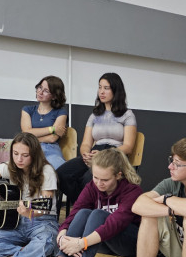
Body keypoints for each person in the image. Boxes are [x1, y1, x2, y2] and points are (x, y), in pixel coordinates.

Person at [29, 148, 142, 257]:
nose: (99, 183)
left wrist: (82, 243)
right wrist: (62, 234)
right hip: (102, 241)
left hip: (129, 243)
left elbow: (115, 224)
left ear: (118, 175)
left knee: (97, 214)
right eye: (95, 177)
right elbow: (75, 211)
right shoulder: (92, 187)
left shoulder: (132, 191)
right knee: (83, 213)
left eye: (105, 180)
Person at [55, 73, 137, 203]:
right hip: (95, 152)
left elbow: (128, 147)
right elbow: (86, 144)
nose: (101, 92)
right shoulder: (94, 115)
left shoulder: (127, 115)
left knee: (90, 178)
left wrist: (104, 155)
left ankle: (87, 206)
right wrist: (86, 155)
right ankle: (83, 205)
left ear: (116, 91)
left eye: (106, 88)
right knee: (61, 174)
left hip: (115, 154)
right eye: (100, 87)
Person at [21, 75, 69, 170]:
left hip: (51, 150)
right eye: (40, 87)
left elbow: (52, 138)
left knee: (60, 170)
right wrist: (52, 129)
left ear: (54, 96)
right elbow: (26, 132)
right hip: (29, 149)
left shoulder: (61, 112)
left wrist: (32, 137)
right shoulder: (27, 110)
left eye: (46, 91)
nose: (40, 92)